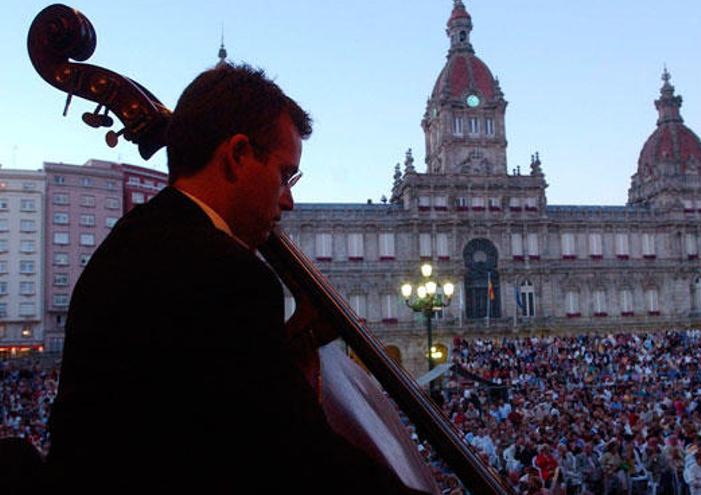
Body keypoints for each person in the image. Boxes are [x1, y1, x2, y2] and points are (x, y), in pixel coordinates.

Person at [45, 63, 425, 494]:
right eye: (285, 175)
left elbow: (204, 401)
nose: (289, 201)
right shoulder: (223, 271)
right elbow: (299, 457)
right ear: (238, 154)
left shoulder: (136, 238)